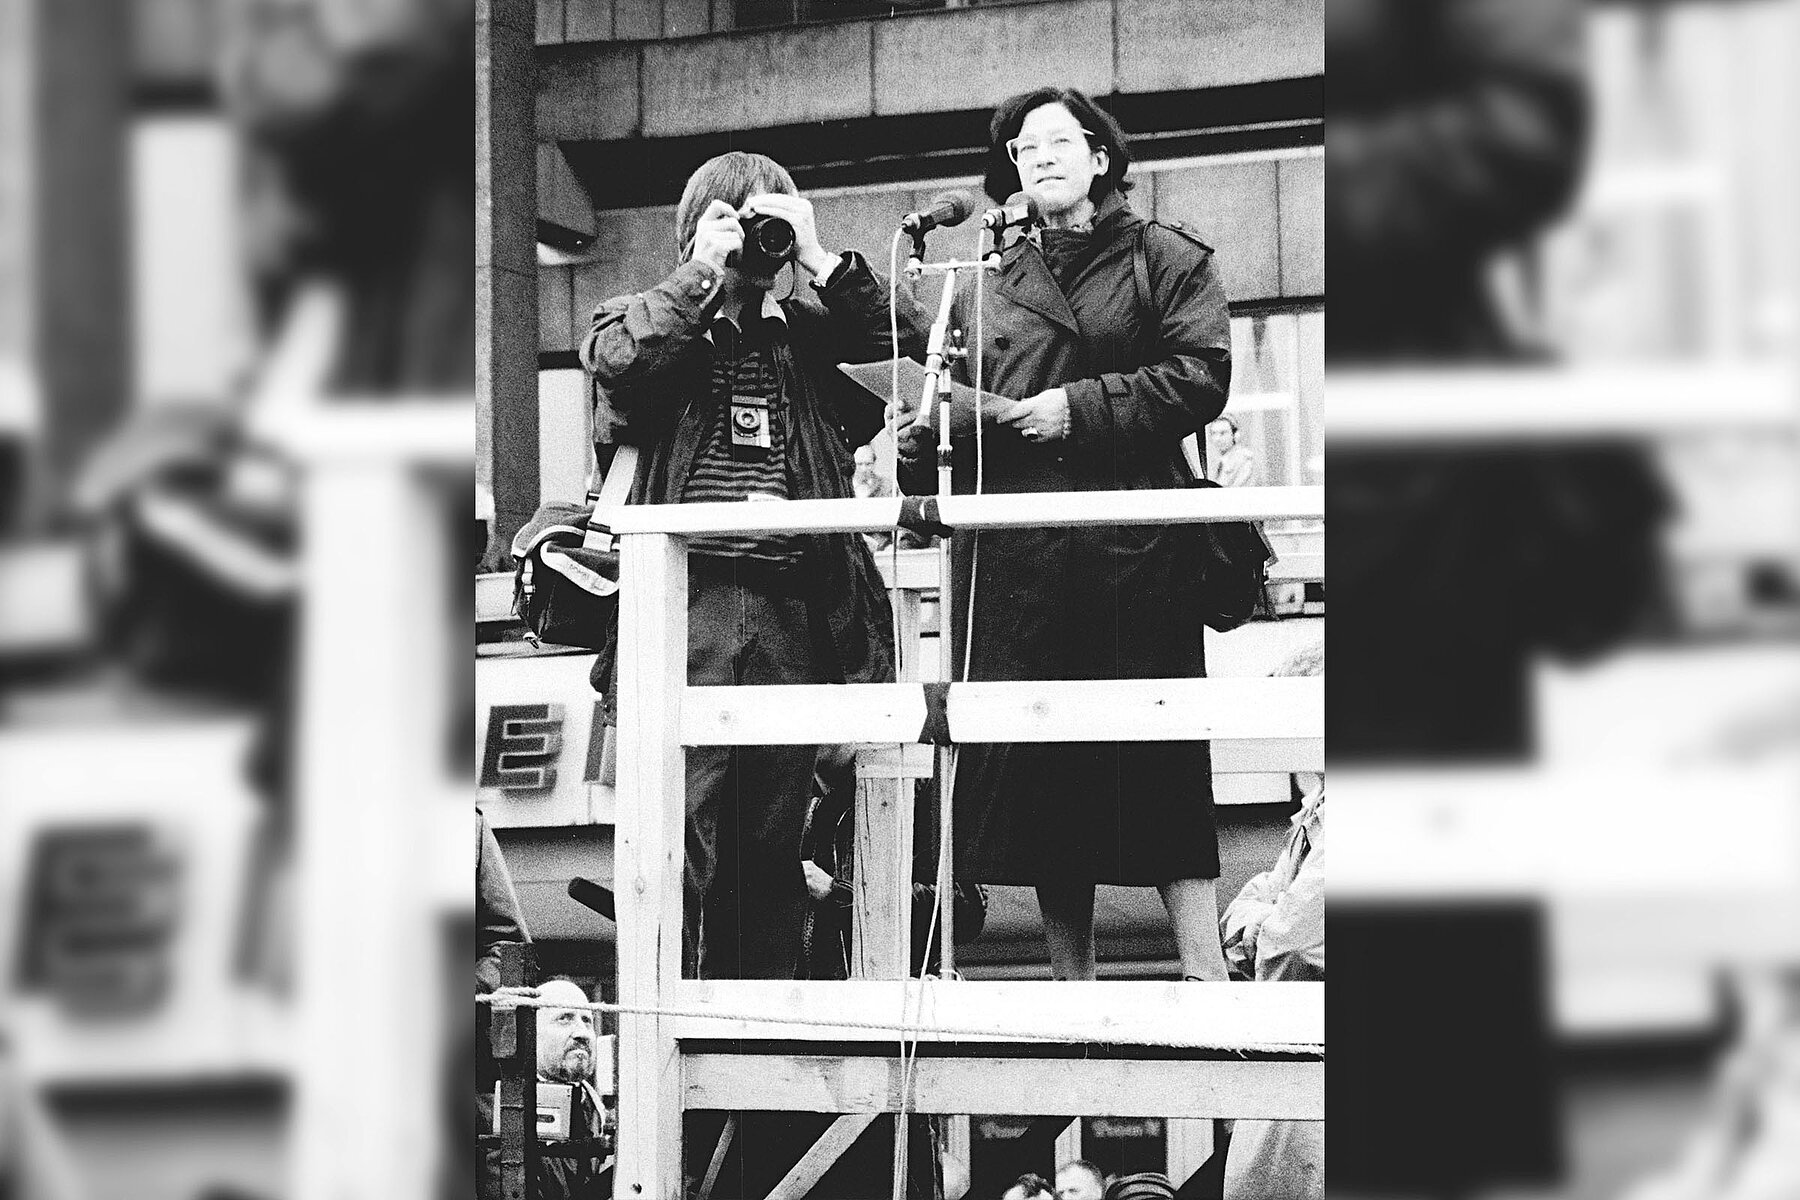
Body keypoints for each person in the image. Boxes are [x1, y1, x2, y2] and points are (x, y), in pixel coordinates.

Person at [894, 87, 1233, 982]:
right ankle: (1068, 989)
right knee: (1048, 778)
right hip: (1022, 565)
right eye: (1020, 148)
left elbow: (1202, 375)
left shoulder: (1167, 258)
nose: (1037, 157)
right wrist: (924, 432)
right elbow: (953, 400)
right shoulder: (983, 281)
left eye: (1056, 141)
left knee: (1156, 769)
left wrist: (1078, 410)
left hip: (1135, 554)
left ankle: (1207, 979)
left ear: (1099, 156)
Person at [580, 151, 922, 980]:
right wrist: (701, 275)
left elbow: (909, 349)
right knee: (679, 847)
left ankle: (757, 1084)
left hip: (791, 613)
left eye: (771, 223)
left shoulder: (809, 337)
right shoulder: (643, 316)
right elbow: (622, 367)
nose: (756, 242)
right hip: (683, 607)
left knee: (771, 858)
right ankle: (681, 1081)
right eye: (741, 221)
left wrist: (820, 260)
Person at [1218, 642, 1324, 1200]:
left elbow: (1296, 941)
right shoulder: (1311, 822)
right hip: (1294, 1062)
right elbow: (1255, 910)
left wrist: (1262, 923)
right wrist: (1268, 920)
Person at [1204, 415, 1256, 487]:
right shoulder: (1217, 461)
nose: (1217, 439)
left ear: (1235, 435)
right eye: (1214, 433)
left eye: (1223, 433)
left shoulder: (1245, 460)